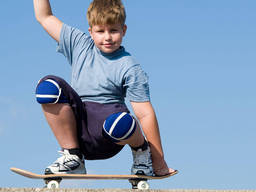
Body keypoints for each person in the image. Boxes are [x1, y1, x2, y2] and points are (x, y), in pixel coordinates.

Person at [33, 0, 176, 176]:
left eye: (113, 30)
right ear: (91, 32)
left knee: (121, 121)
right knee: (47, 87)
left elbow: (145, 114)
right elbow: (44, 17)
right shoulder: (80, 45)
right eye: (100, 31)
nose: (107, 37)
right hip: (79, 129)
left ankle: (141, 153)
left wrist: (159, 161)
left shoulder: (129, 66)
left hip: (109, 134)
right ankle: (73, 156)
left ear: (123, 30)